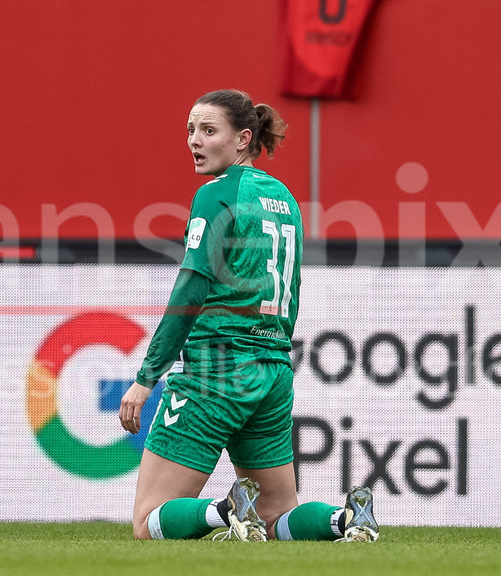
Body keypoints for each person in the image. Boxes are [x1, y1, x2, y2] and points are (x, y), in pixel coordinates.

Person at [118, 89, 379, 542]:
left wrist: (148, 375)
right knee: (279, 516)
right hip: (272, 371)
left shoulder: (216, 193)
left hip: (217, 370)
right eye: (190, 131)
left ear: (242, 139)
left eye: (208, 130)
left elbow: (191, 288)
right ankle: (346, 519)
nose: (194, 141)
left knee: (147, 521)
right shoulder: (284, 198)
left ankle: (226, 508)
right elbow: (291, 293)